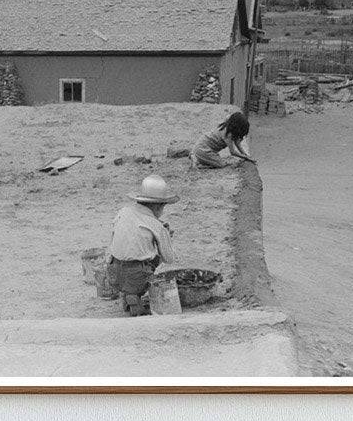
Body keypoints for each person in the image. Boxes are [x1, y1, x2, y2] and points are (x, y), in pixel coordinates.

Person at [106, 174, 178, 316]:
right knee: (153, 259)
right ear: (159, 206)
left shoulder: (123, 212)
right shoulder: (156, 225)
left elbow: (115, 239)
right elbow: (169, 258)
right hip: (136, 276)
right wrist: (166, 236)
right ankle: (134, 294)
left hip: (113, 272)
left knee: (135, 255)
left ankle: (127, 293)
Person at [190, 105, 254, 169]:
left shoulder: (228, 124)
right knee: (221, 164)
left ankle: (196, 157)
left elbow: (237, 143)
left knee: (217, 160)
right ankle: (199, 164)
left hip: (201, 145)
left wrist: (245, 155)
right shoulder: (228, 134)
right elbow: (233, 152)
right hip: (203, 149)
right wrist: (245, 157)